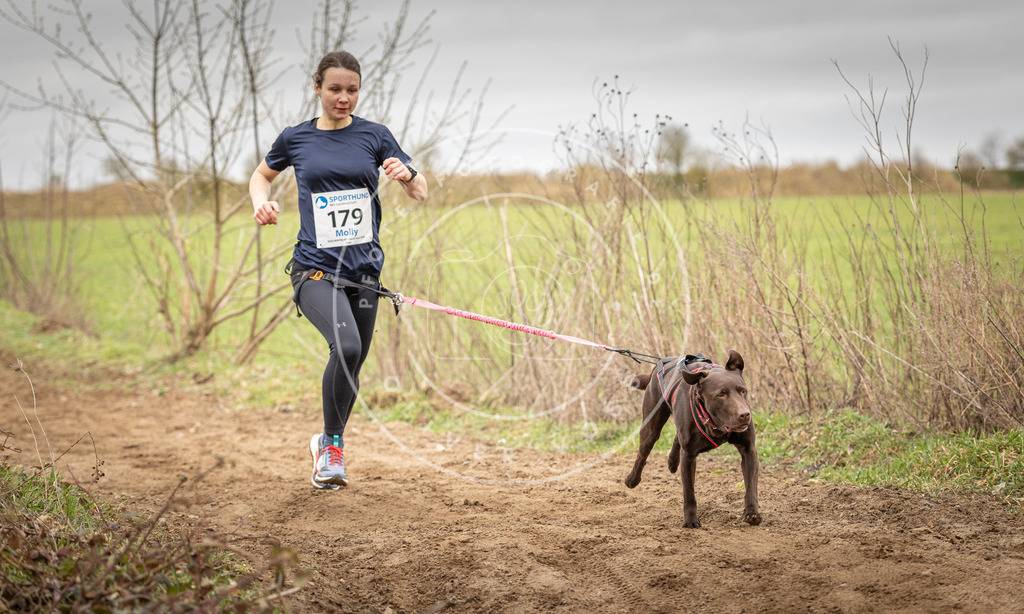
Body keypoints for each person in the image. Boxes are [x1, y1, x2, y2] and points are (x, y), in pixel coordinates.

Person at [250, 51, 427, 491]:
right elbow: (261, 175)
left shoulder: (375, 135)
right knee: (345, 345)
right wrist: (261, 202)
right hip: (314, 269)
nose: (343, 98)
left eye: (352, 90)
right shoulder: (296, 138)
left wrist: (406, 175)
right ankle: (331, 447)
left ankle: (327, 444)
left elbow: (420, 191)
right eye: (335, 89)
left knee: (353, 360)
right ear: (317, 88)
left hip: (365, 272)